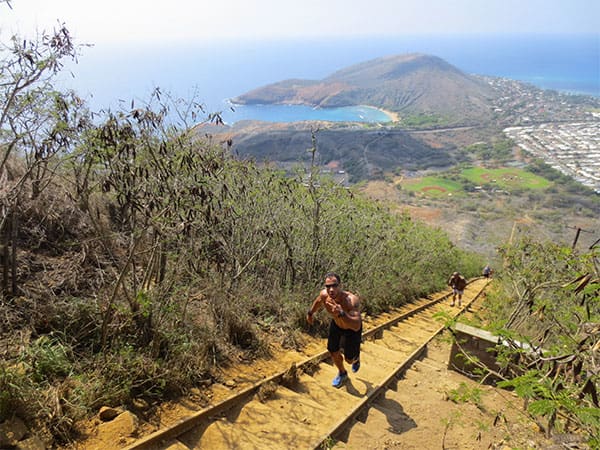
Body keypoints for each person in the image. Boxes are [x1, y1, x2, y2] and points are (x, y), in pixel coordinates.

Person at [306, 272, 362, 388]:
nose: (331, 289)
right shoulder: (324, 295)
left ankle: (355, 358)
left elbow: (356, 325)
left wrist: (342, 314)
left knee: (349, 360)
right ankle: (342, 373)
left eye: (334, 285)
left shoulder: (351, 300)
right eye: (328, 286)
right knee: (333, 351)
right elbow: (318, 302)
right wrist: (310, 313)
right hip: (336, 325)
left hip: (351, 329)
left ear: (340, 286)